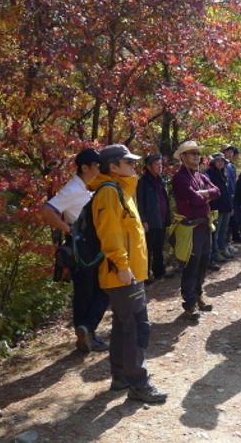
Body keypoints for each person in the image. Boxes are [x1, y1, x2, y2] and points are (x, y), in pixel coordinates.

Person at [90, 144, 166, 403]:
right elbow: (109, 235)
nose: (134, 166)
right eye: (128, 162)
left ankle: (121, 376)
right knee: (136, 327)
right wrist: (123, 267)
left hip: (129, 272)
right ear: (113, 166)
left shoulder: (122, 190)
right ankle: (138, 383)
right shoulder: (109, 193)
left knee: (124, 326)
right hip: (121, 274)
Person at [40, 148, 109, 352]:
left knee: (88, 291)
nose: (99, 168)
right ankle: (88, 331)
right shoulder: (72, 189)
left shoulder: (86, 187)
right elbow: (47, 210)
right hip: (82, 246)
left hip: (89, 244)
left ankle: (85, 333)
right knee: (95, 290)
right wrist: (69, 230)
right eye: (96, 165)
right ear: (84, 167)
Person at [171, 141, 220, 320]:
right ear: (183, 156)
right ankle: (189, 302)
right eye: (192, 153)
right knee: (191, 265)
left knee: (203, 262)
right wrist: (204, 196)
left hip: (204, 225)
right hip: (190, 228)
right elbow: (194, 199)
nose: (196, 156)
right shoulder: (179, 178)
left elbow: (217, 192)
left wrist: (203, 194)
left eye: (198, 153)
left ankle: (198, 294)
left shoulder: (200, 176)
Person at [136, 154, 171, 281]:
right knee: (148, 248)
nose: (160, 167)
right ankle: (145, 275)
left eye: (161, 164)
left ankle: (159, 272)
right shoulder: (143, 182)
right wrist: (144, 220)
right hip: (150, 221)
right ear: (149, 166)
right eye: (157, 164)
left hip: (161, 219)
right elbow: (140, 202)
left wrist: (168, 217)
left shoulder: (161, 180)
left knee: (159, 247)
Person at [207, 153, 234, 264]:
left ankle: (222, 249)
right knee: (215, 232)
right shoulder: (209, 174)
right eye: (218, 160)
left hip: (226, 206)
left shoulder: (224, 173)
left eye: (222, 161)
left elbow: (228, 191)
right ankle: (215, 252)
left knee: (223, 230)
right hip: (216, 207)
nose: (220, 162)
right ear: (213, 162)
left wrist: (231, 206)